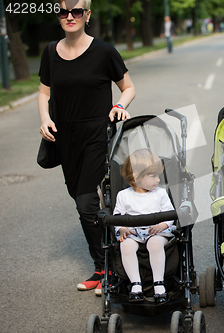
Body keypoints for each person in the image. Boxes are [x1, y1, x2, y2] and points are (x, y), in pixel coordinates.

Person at [37, 0, 135, 295]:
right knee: (79, 201)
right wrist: (44, 119)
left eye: (76, 11)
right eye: (64, 12)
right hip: (64, 137)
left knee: (87, 203)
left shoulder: (104, 52)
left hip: (97, 133)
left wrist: (119, 106)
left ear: (87, 15)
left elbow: (128, 87)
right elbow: (44, 93)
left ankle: (107, 267)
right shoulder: (50, 52)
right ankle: (107, 264)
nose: (70, 16)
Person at [114, 149, 176, 303]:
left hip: (156, 232)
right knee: (125, 246)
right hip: (133, 233)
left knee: (155, 244)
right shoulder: (124, 195)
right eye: (153, 176)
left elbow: (171, 214)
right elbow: (117, 217)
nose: (158, 180)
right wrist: (121, 228)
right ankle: (135, 283)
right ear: (136, 177)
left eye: (158, 175)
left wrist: (162, 225)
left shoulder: (160, 193)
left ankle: (158, 283)